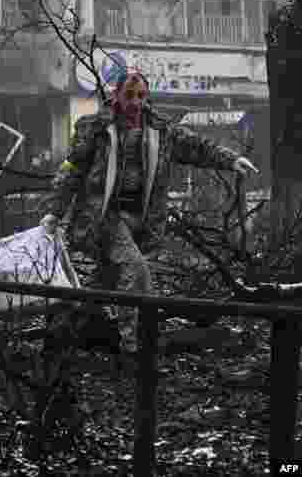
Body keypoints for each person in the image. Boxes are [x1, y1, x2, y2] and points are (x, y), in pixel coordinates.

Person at [39, 68, 258, 351]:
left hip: (141, 219)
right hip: (104, 216)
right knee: (135, 269)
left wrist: (231, 160)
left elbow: (197, 147)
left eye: (141, 95)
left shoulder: (161, 130)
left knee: (105, 279)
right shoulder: (94, 128)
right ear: (116, 95)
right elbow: (72, 171)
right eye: (129, 95)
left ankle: (69, 330)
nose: (136, 102)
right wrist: (54, 212)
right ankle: (135, 343)